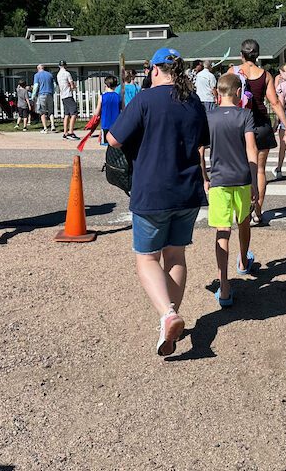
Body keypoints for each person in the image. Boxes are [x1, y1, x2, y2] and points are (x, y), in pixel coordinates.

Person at [107, 47, 208, 357]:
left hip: (152, 191)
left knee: (147, 258)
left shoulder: (145, 99)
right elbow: (202, 143)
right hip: (187, 191)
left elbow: (114, 139)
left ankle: (167, 314)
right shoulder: (193, 103)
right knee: (175, 256)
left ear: (154, 70)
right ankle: (169, 318)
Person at [201, 73, 259, 308]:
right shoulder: (245, 115)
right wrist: (255, 181)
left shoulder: (209, 117)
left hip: (219, 179)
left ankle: (224, 285)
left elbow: (200, 150)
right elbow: (251, 149)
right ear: (238, 93)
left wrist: (204, 176)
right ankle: (244, 261)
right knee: (243, 221)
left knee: (222, 230)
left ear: (218, 93)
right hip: (242, 178)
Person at [234, 39, 286, 227]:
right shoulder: (265, 75)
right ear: (257, 55)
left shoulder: (233, 72)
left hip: (239, 125)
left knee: (241, 168)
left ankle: (242, 211)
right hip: (261, 125)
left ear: (241, 54)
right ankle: (257, 211)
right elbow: (274, 102)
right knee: (259, 170)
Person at [57, 60, 79, 141]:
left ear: (59, 66)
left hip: (63, 95)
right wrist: (74, 86)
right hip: (68, 95)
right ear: (65, 65)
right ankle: (71, 132)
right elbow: (72, 85)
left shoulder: (58, 75)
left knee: (67, 114)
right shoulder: (67, 73)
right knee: (74, 113)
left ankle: (65, 132)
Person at [32, 64, 56, 134]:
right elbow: (54, 85)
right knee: (51, 111)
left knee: (42, 112)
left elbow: (36, 86)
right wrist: (52, 92)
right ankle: (53, 125)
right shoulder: (50, 75)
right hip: (50, 94)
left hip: (42, 94)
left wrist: (33, 96)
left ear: (38, 68)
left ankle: (45, 128)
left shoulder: (37, 75)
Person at [98, 75, 121, 147]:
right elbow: (123, 110)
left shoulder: (102, 97)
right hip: (116, 125)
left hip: (105, 125)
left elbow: (97, 112)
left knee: (106, 144)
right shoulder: (119, 97)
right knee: (115, 144)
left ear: (106, 85)